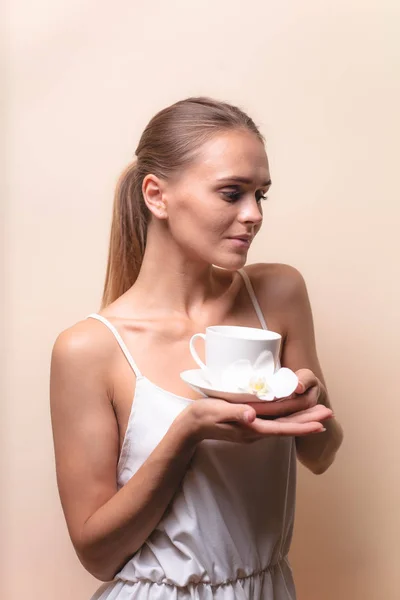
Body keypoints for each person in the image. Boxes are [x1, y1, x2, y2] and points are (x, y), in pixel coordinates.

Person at [50, 97, 343, 600]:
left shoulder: (278, 293)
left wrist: (308, 403)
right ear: (157, 196)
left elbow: (322, 454)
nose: (253, 215)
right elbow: (98, 557)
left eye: (261, 195)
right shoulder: (89, 349)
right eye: (232, 193)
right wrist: (185, 434)